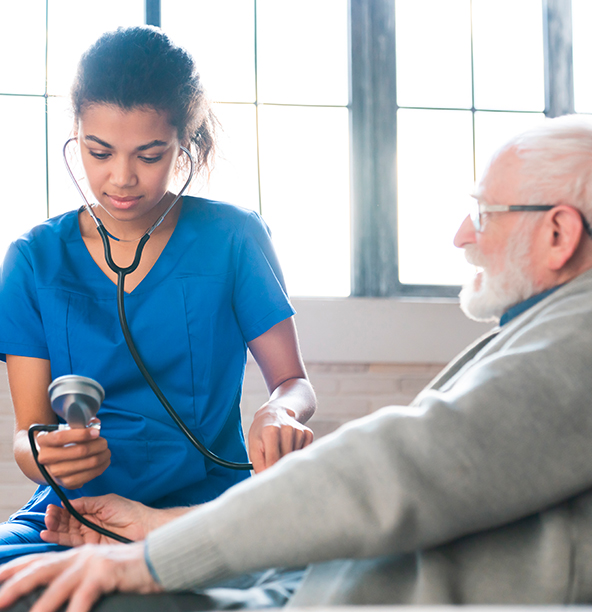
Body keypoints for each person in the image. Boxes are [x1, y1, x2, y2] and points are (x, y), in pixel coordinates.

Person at [2, 115, 592, 611]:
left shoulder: (578, 338)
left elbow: (402, 468)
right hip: (145, 524)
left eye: (484, 213)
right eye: (99, 150)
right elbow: (422, 473)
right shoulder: (35, 257)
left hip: (257, 540)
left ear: (561, 233)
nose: (461, 236)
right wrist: (152, 530)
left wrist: (156, 551)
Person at [0, 26, 316, 565]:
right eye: (99, 152)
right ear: (76, 135)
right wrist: (48, 454)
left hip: (207, 507)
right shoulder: (32, 259)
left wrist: (279, 413)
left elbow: (292, 383)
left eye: (149, 155)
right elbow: (28, 434)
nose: (121, 179)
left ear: (184, 144)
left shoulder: (234, 238)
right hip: (77, 516)